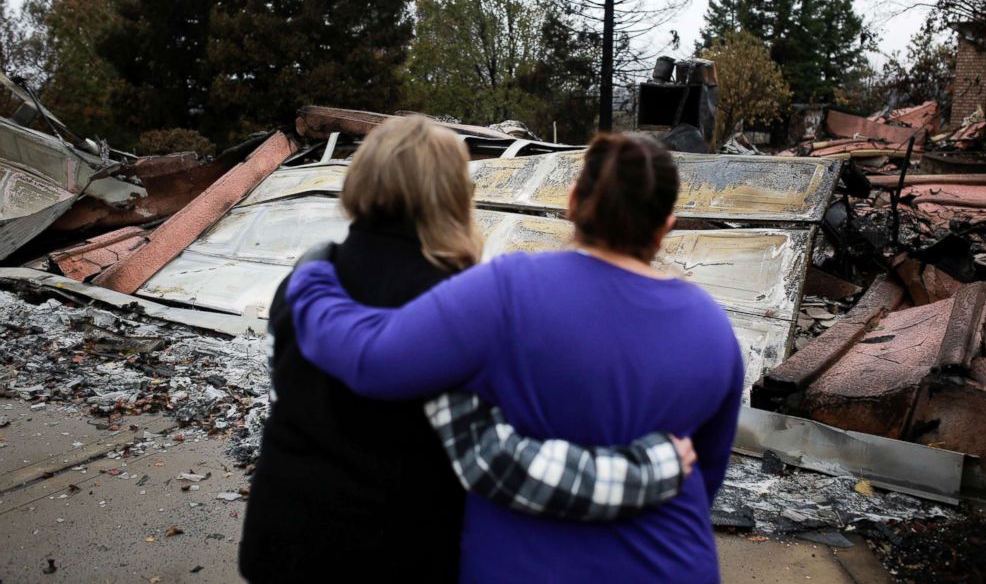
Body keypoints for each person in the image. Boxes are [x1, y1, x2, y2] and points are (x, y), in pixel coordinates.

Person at [239, 118, 697, 583]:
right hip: (387, 556)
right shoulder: (456, 305)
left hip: (279, 541)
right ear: (455, 193)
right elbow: (498, 463)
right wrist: (648, 469)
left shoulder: (311, 277)